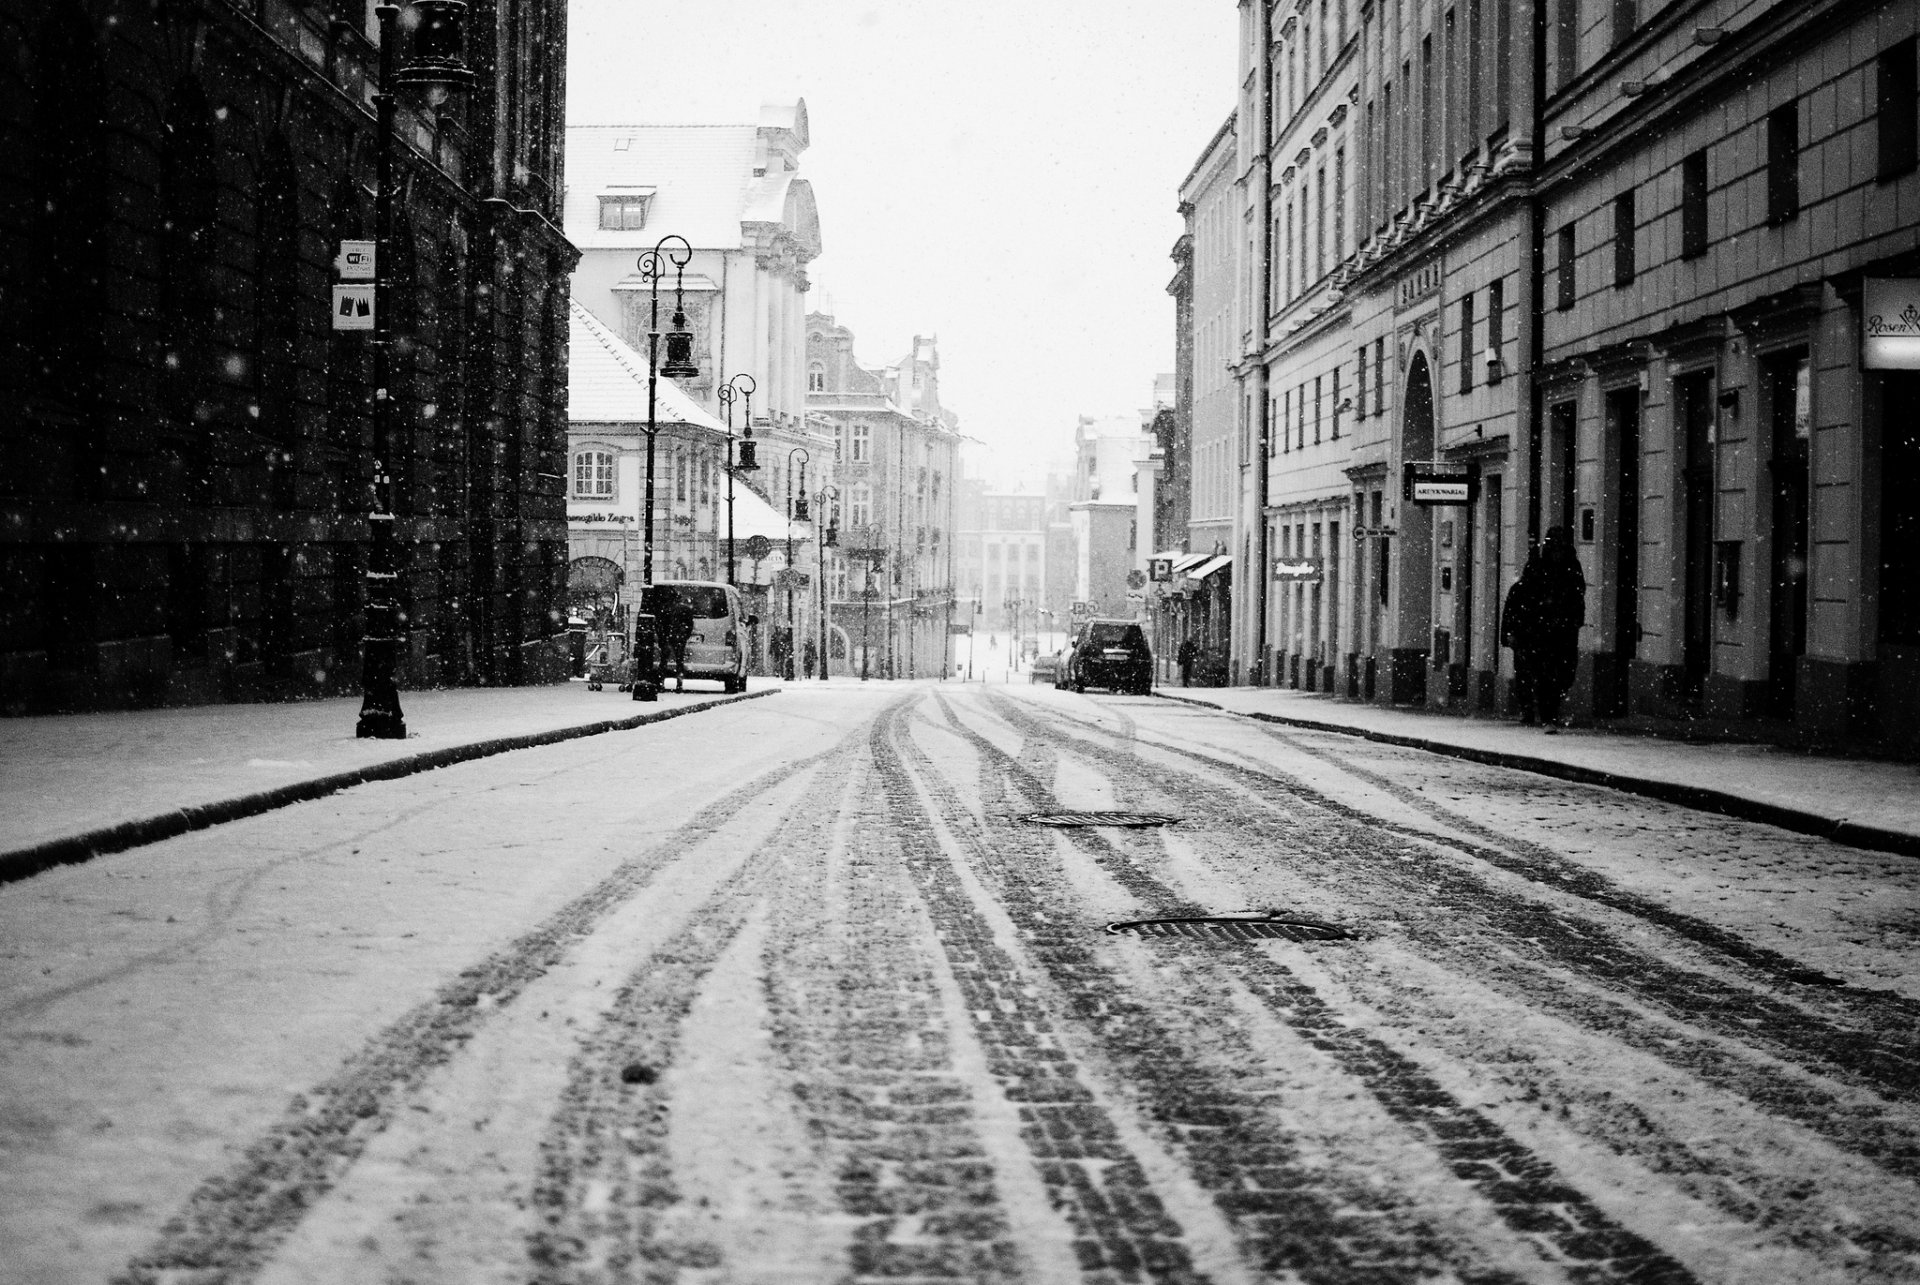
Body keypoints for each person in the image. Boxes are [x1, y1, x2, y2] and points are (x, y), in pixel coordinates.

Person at [1502, 526, 1587, 731]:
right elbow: (1522, 598)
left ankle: (1546, 711)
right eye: (1554, 547)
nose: (1557, 552)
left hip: (1562, 631)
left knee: (1563, 674)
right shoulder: (1538, 568)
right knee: (1544, 675)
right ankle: (1548, 714)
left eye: (1560, 548)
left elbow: (1578, 595)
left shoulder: (1571, 568)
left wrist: (1572, 618)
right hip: (1542, 632)